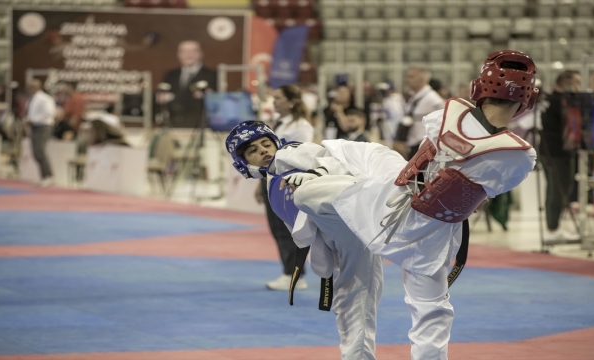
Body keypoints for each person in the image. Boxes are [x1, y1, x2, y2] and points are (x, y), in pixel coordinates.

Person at [274, 50, 538, 360]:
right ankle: (318, 224)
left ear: (479, 87)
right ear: (526, 99)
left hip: (386, 200)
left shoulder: (447, 114)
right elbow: (490, 188)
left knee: (341, 165)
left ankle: (290, 177)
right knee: (431, 311)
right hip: (431, 231)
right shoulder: (519, 156)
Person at [226, 121, 383, 360]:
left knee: (357, 303)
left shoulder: (291, 152)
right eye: (254, 151)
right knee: (348, 304)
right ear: (245, 162)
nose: (263, 151)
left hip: (351, 221)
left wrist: (315, 175)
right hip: (336, 239)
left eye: (266, 144)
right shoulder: (273, 179)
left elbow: (336, 160)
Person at [257, 84, 314, 291]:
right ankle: (289, 271)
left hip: (286, 181)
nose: (275, 101)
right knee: (277, 229)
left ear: (292, 101)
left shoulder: (301, 126)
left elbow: (303, 156)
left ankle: (296, 275)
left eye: (279, 98)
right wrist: (261, 182)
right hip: (272, 179)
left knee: (288, 229)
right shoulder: (278, 125)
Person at [540, 70, 581, 241]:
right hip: (555, 152)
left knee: (556, 189)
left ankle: (553, 226)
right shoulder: (556, 101)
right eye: (576, 82)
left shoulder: (555, 100)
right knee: (557, 189)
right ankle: (552, 229)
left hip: (555, 151)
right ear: (566, 81)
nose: (579, 86)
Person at [162, 40, 218, 128]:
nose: (189, 54)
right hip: (173, 125)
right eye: (184, 51)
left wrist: (173, 97)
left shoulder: (212, 75)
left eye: (193, 51)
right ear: (179, 54)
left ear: (201, 53)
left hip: (200, 126)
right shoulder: (171, 75)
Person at [393, 67, 445, 159]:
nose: (407, 80)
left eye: (411, 77)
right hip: (413, 144)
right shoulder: (414, 96)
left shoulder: (432, 98)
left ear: (422, 78)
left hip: (424, 146)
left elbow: (445, 117)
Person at [24, 79, 56, 187]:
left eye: (31, 87)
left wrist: (33, 119)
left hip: (43, 126)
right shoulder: (31, 99)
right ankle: (43, 176)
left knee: (39, 151)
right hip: (34, 126)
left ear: (37, 87)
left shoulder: (44, 98)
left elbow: (49, 113)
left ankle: (48, 176)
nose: (29, 89)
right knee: (36, 153)